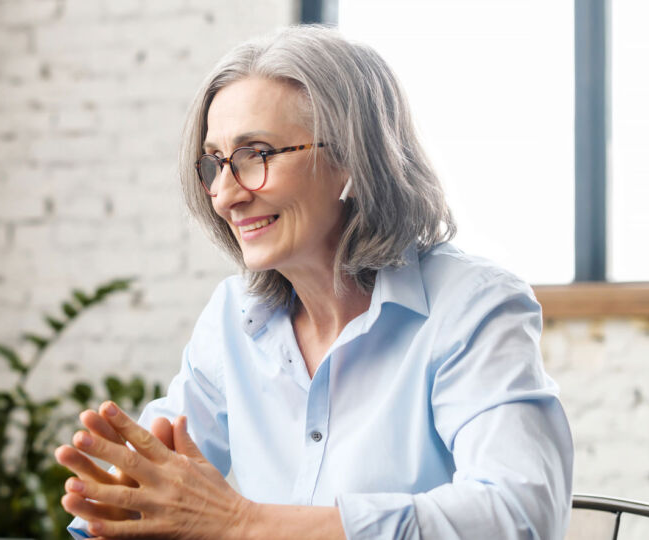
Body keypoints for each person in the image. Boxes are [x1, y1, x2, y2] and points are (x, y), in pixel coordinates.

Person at [54, 25, 573, 540]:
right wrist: (123, 500)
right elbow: (139, 490)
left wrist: (243, 524)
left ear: (350, 157)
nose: (226, 195)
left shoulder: (471, 305)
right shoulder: (233, 314)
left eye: (255, 154)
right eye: (215, 164)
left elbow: (519, 514)